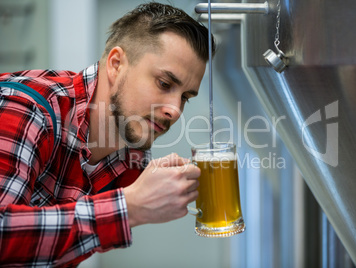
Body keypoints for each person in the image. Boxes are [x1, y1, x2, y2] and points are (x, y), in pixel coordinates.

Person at [0, 2, 215, 267]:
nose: (175, 110)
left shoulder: (130, 157)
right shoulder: (27, 109)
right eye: (164, 84)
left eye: (185, 97)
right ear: (116, 65)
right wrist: (130, 207)